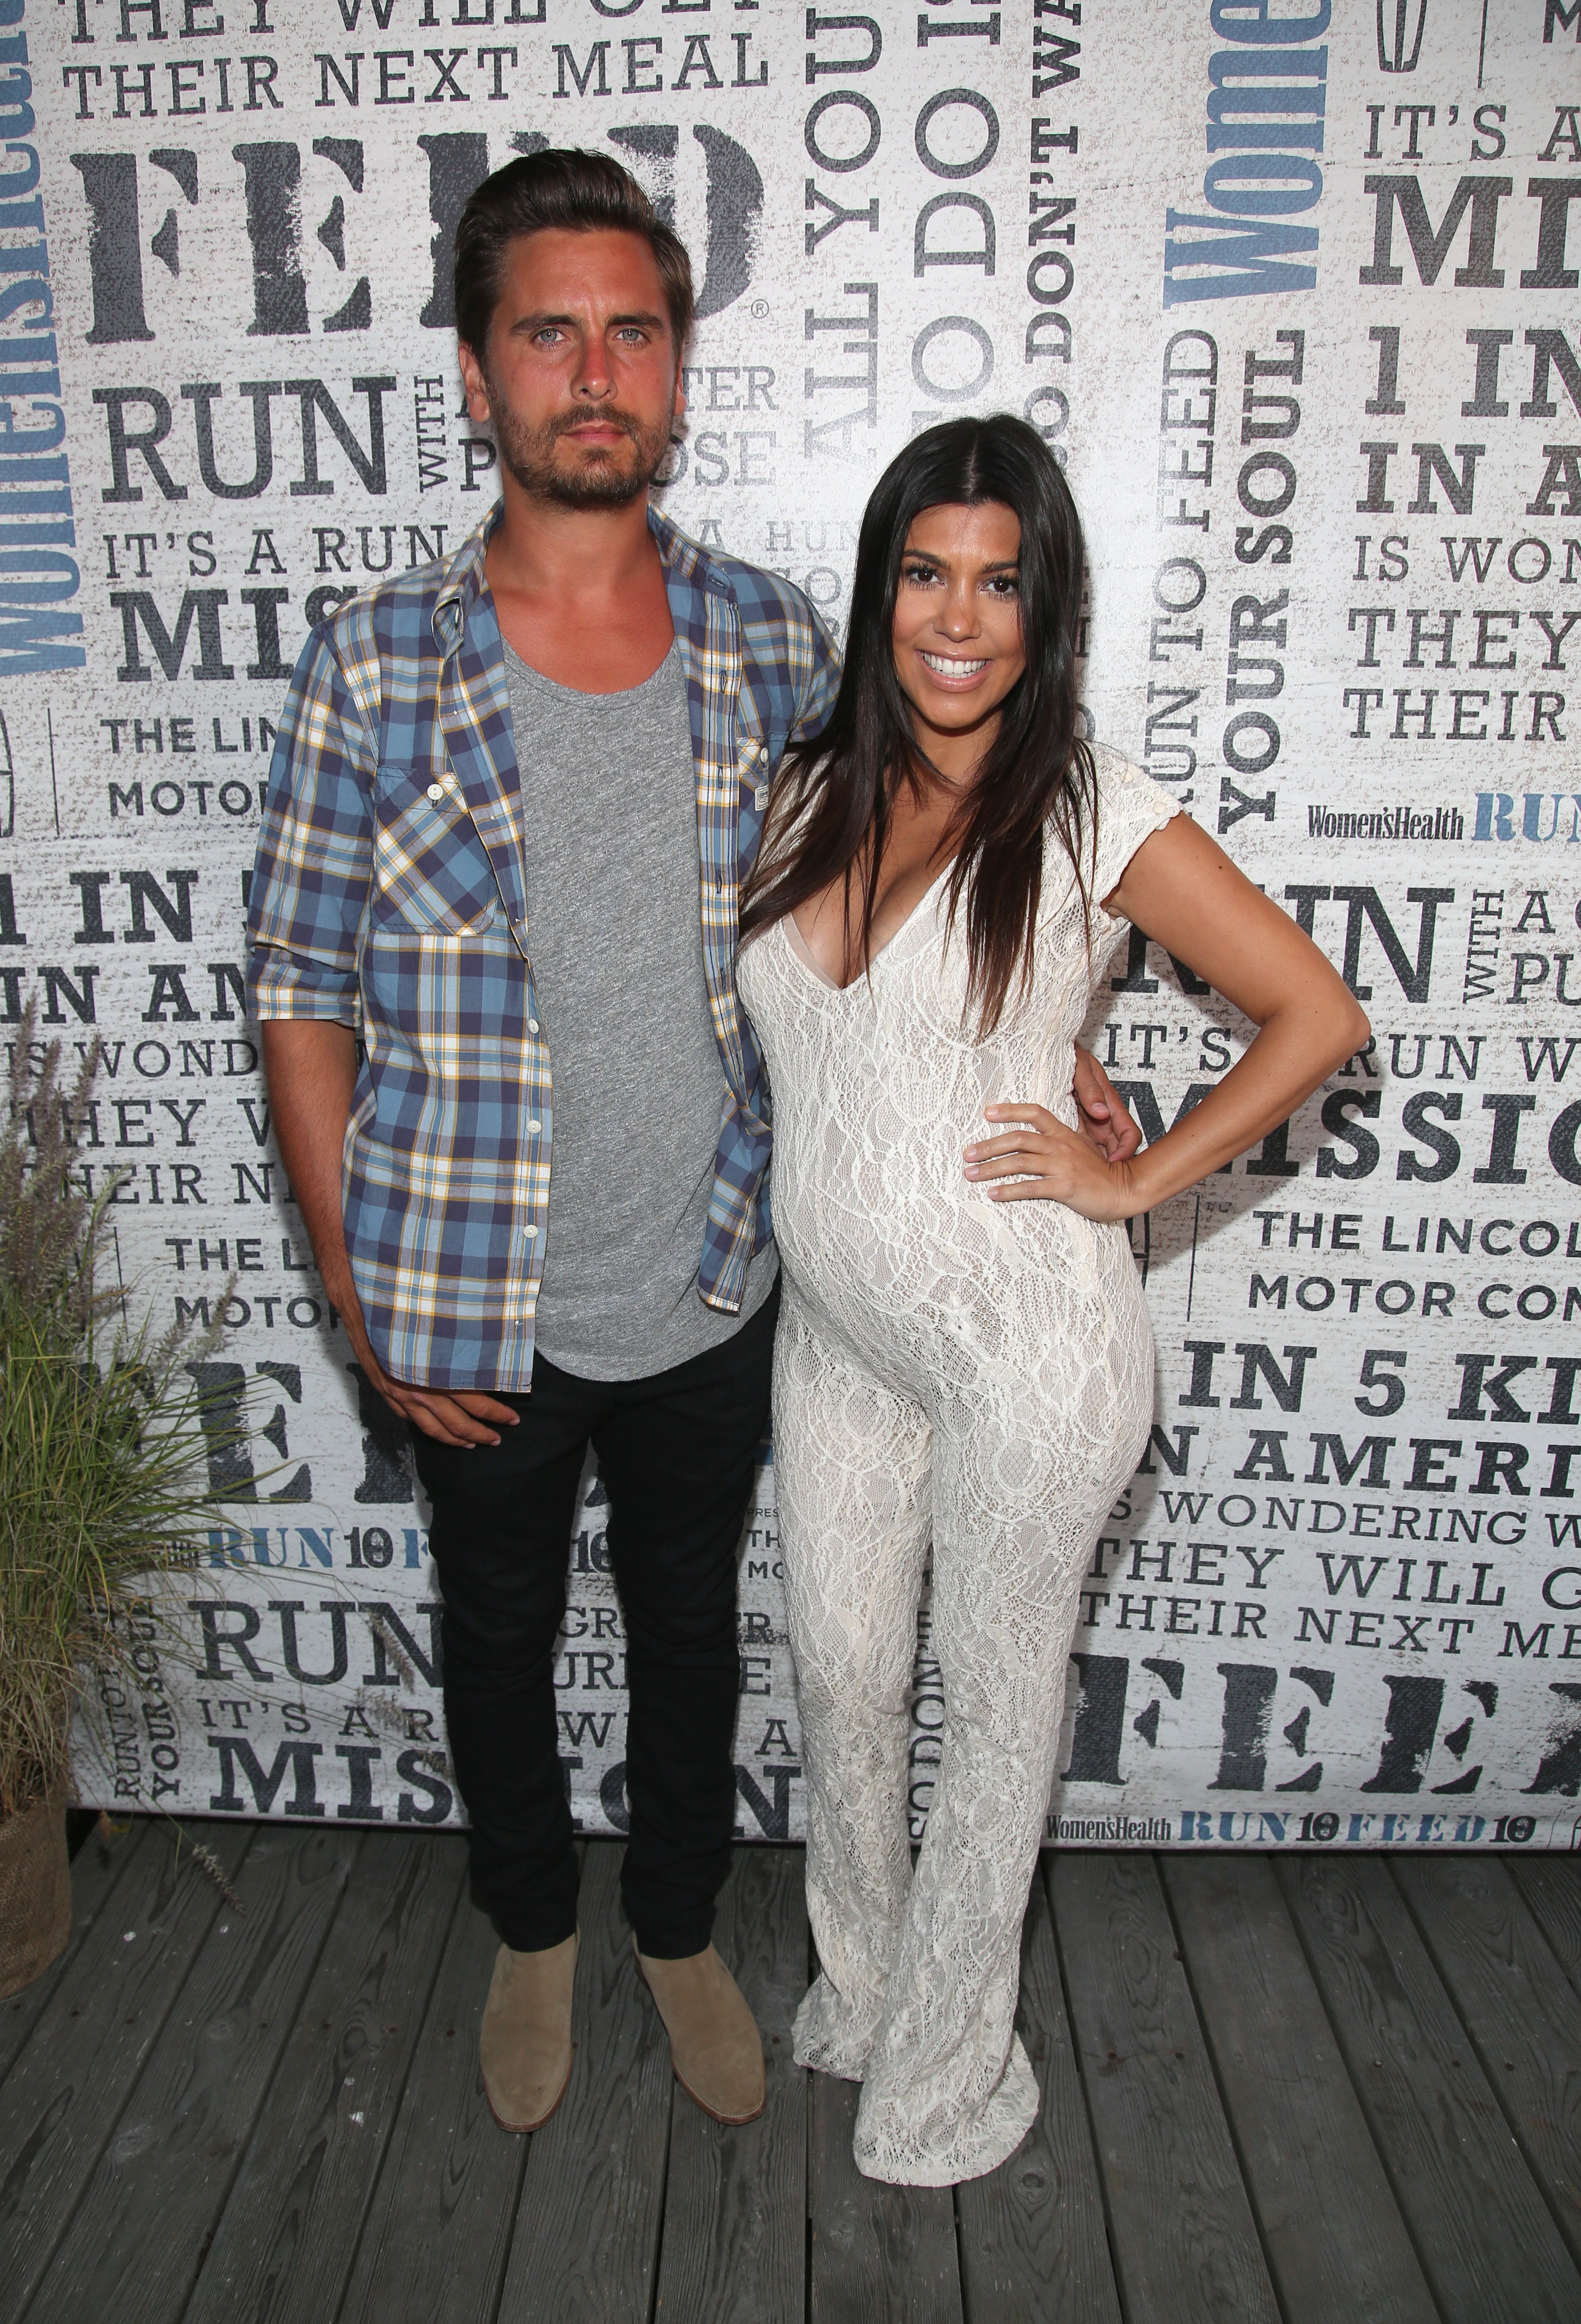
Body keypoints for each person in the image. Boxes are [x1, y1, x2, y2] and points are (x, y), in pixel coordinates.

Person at [247, 155, 1141, 2141]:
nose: (592, 372)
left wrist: (1064, 1056)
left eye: (630, 332)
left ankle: (673, 1930)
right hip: (462, 1296)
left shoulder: (768, 645)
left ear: (677, 374)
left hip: (731, 1270)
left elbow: (930, 884)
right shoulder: (369, 664)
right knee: (493, 1633)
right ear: (477, 379)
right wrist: (350, 1283)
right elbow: (300, 986)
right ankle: (533, 1933)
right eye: (546, 334)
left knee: (689, 1632)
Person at [737, 414, 1369, 2186]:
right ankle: (862, 1999)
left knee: (995, 1714)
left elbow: (1317, 1017)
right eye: (926, 573)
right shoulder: (810, 790)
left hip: (1034, 1348)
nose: (960, 617)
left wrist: (1136, 1178)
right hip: (842, 1336)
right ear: (877, 598)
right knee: (847, 1677)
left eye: (1000, 581)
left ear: (1046, 607)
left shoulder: (1089, 799)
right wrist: (1067, 1038)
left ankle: (945, 2080)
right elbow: (895, 1028)